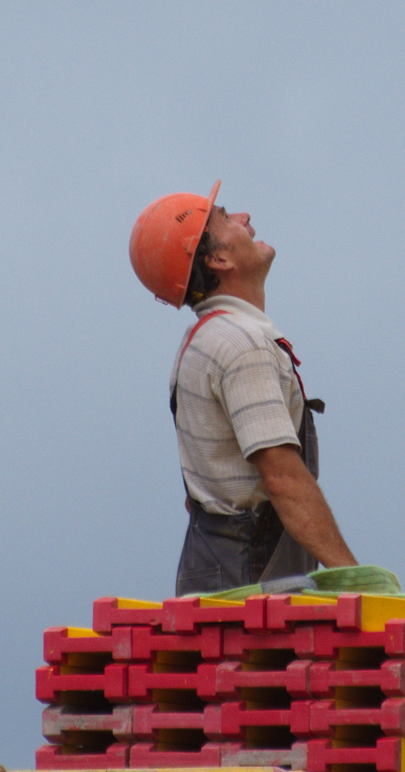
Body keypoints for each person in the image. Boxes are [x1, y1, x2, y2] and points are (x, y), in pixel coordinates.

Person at [128, 184, 356, 596]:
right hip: (251, 577)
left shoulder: (202, 340)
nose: (246, 218)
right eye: (229, 217)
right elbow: (283, 479)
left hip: (213, 570)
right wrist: (356, 582)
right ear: (219, 258)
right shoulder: (241, 344)